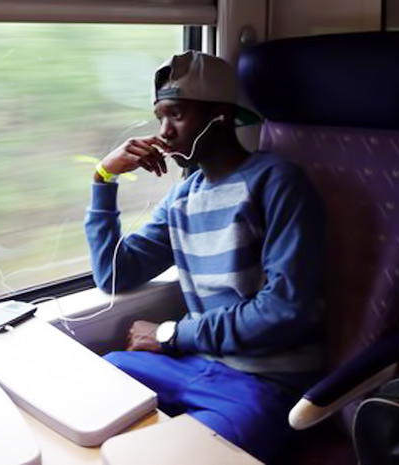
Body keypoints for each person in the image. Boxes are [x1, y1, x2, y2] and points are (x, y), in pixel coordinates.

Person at [84, 50, 326, 463]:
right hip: (193, 365)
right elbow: (113, 274)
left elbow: (285, 311)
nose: (164, 133)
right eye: (160, 117)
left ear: (220, 116)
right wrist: (104, 178)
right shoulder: (182, 197)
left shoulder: (276, 182)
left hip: (263, 384)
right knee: (98, 382)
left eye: (177, 115)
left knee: (185, 455)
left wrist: (169, 335)